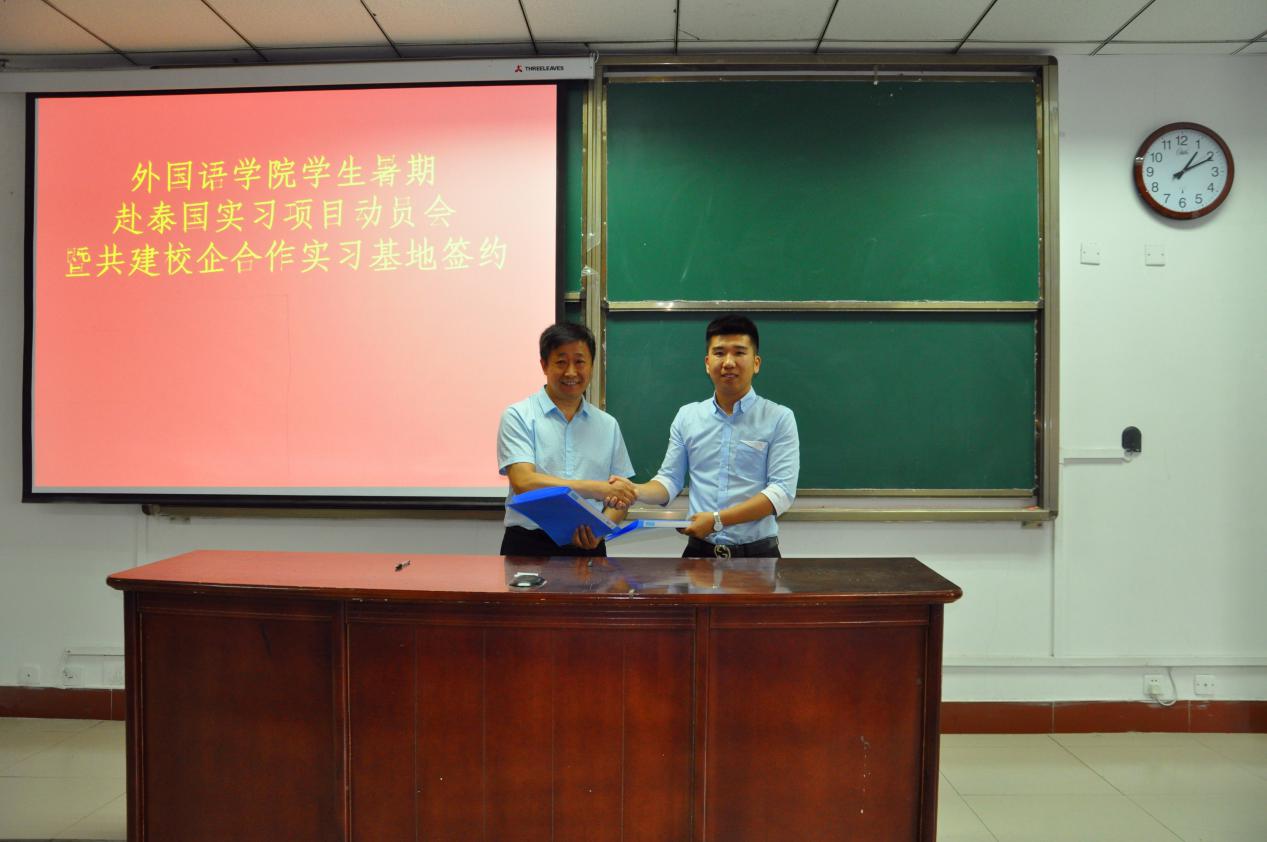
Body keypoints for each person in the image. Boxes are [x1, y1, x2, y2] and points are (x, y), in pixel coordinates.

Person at [635, 314, 799, 558]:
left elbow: (781, 493)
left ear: (756, 363)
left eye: (739, 353)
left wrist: (717, 520)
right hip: (699, 554)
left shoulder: (779, 418)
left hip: (758, 557)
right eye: (720, 353)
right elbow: (669, 480)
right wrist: (635, 491)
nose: (729, 362)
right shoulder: (687, 416)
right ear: (707, 362)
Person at [497, 322, 636, 557]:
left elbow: (620, 498)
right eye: (561, 362)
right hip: (528, 547)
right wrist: (597, 489)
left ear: (592, 365)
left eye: (580, 362)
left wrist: (600, 531)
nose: (571, 372)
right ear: (544, 365)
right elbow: (524, 482)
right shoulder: (518, 415)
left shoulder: (608, 425)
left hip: (590, 546)